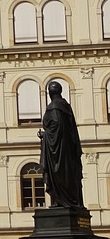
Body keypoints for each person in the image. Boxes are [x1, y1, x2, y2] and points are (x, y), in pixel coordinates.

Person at [38, 80, 86, 209]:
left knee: (58, 174)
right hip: (67, 149)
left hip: (57, 151)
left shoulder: (54, 107)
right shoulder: (65, 106)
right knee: (68, 175)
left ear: (49, 93)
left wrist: (45, 135)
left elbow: (57, 128)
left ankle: (61, 200)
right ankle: (64, 200)